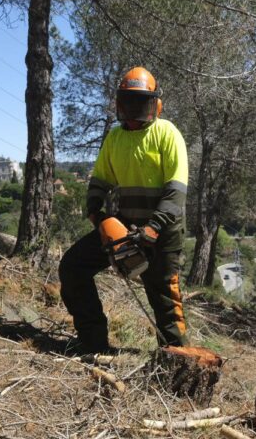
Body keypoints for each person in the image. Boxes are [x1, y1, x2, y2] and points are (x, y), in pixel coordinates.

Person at [59, 67, 189, 354]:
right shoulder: (115, 137)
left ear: (155, 104)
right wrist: (96, 212)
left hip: (162, 234)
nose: (133, 109)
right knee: (73, 267)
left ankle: (177, 364)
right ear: (120, 103)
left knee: (166, 301)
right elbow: (100, 179)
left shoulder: (167, 134)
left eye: (140, 102)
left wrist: (153, 229)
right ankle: (93, 343)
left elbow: (176, 190)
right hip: (125, 228)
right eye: (128, 102)